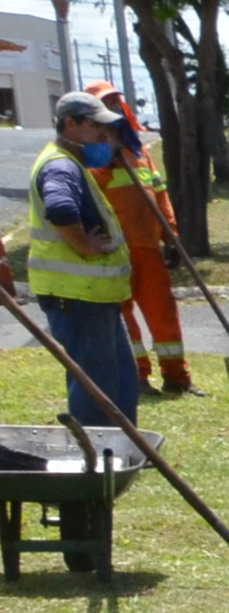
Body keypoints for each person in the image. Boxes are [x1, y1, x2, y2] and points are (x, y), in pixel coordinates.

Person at [13, 93, 142, 429]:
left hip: (92, 295)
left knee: (118, 375)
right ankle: (98, 458)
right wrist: (85, 245)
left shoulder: (72, 164)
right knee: (96, 381)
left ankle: (124, 449)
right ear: (70, 123)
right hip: (76, 295)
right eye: (96, 125)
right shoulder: (60, 165)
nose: (105, 134)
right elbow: (60, 208)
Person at [94, 90, 190, 395]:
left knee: (164, 314)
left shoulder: (140, 152)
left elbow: (159, 194)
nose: (113, 110)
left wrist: (172, 236)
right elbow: (89, 192)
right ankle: (137, 378)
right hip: (115, 251)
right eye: (105, 105)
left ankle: (177, 378)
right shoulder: (93, 156)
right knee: (124, 318)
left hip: (148, 248)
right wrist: (105, 157)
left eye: (115, 104)